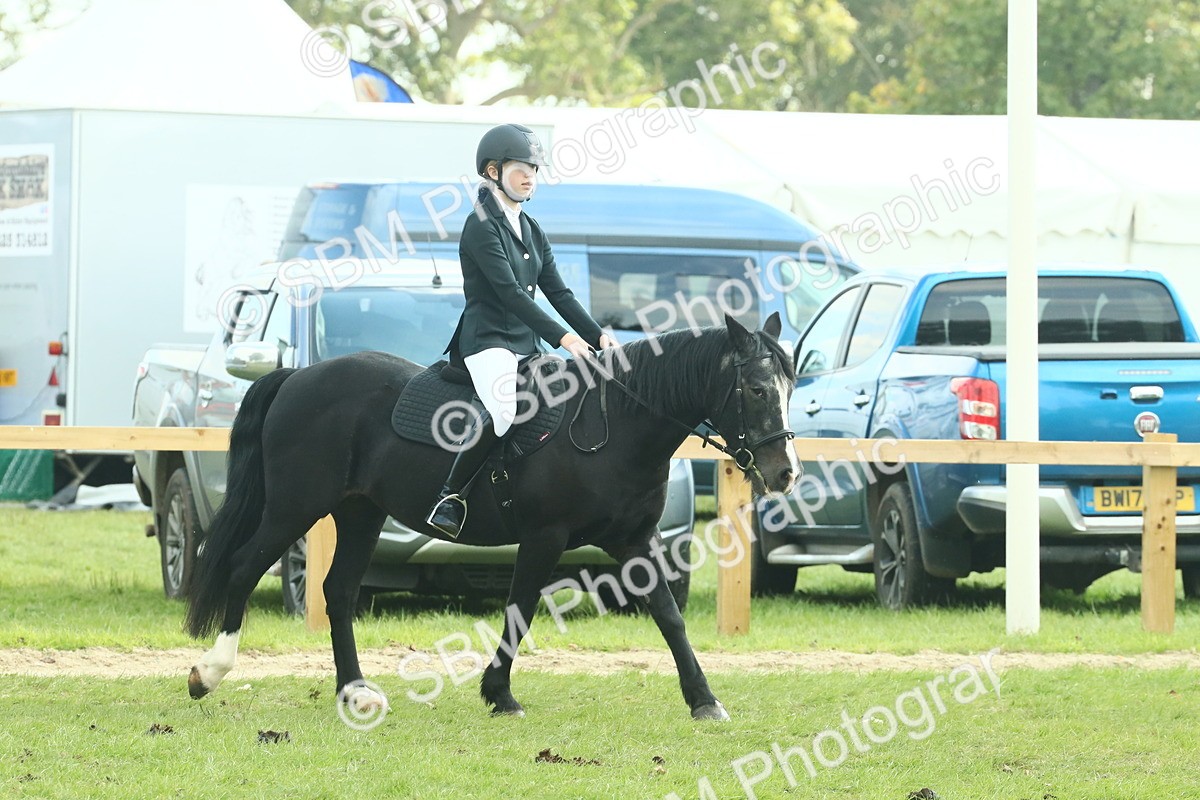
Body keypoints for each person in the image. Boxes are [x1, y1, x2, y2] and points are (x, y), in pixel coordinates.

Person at [426, 123, 617, 538]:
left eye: (534, 167)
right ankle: (450, 496)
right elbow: (511, 294)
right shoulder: (480, 224)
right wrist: (565, 339)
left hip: (525, 344)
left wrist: (598, 335)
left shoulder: (530, 228)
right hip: (488, 342)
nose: (530, 175)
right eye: (520, 168)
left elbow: (559, 292)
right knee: (505, 409)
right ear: (493, 172)